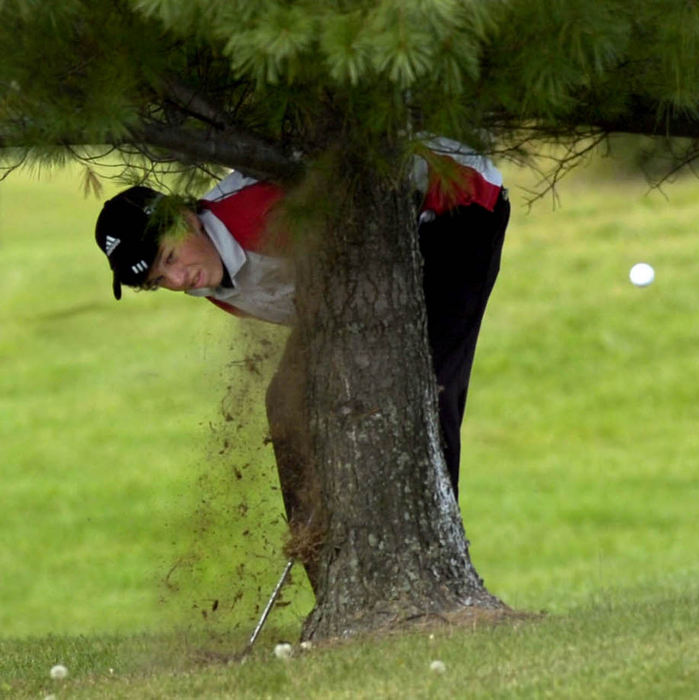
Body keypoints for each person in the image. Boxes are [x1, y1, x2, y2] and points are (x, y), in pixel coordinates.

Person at [93, 138, 510, 582]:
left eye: (170, 256)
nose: (179, 279)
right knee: (286, 401)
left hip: (453, 204)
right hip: (353, 279)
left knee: (424, 383)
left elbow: (382, 197)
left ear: (185, 217)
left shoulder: (261, 212)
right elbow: (324, 315)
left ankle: (432, 565)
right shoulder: (211, 282)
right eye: (160, 279)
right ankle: (330, 576)